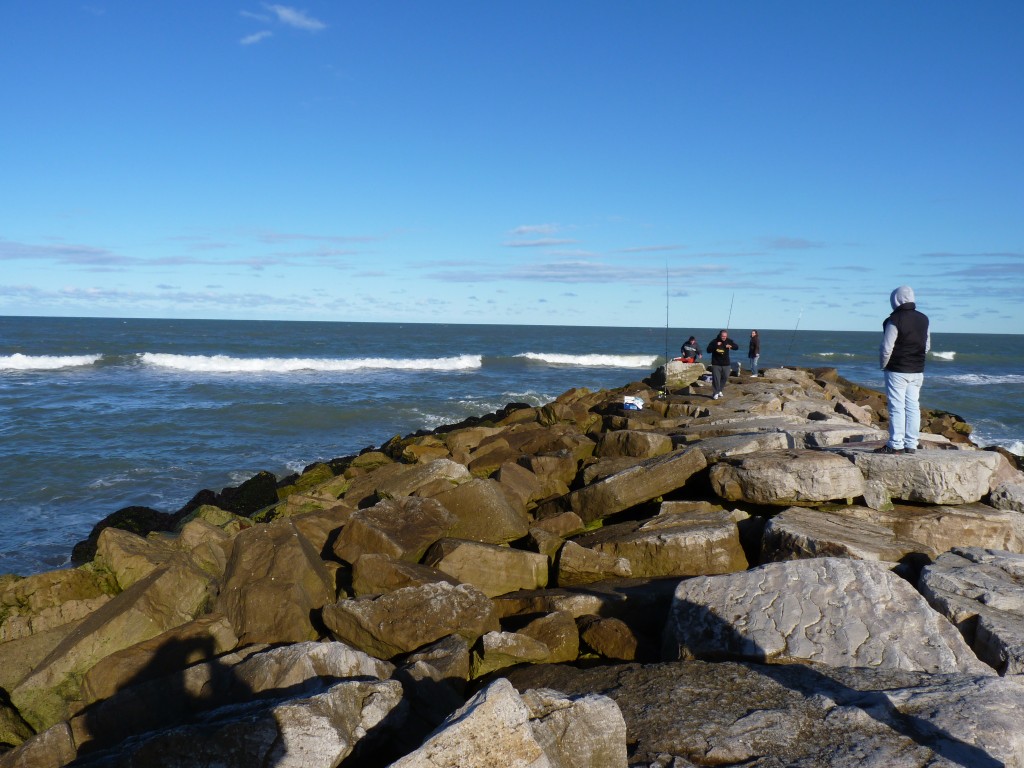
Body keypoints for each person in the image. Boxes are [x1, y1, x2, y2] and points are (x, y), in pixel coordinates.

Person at [876, 285, 930, 454]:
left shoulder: (894, 319)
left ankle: (895, 444)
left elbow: (887, 348)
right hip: (917, 370)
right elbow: (927, 345)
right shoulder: (924, 319)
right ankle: (911, 444)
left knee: (896, 407)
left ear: (896, 300)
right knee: (913, 406)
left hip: (897, 370)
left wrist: (884, 365)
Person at [706, 330, 739, 400]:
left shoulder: (728, 341)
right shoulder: (714, 341)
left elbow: (736, 347)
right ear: (720, 335)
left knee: (725, 377)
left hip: (726, 363)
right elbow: (708, 350)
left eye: (725, 336)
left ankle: (719, 390)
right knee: (716, 379)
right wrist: (716, 345)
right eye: (723, 336)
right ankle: (715, 393)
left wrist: (731, 346)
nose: (724, 337)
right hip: (716, 363)